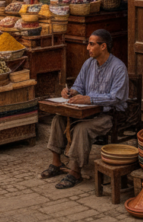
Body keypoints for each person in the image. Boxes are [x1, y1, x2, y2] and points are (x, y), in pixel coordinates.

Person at [42, 29, 129, 189]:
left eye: (91, 44)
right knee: (58, 119)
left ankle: (75, 172)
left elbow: (117, 97)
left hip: (109, 115)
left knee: (82, 128)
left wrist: (90, 99)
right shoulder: (89, 63)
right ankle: (56, 163)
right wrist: (71, 92)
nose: (88, 48)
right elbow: (79, 85)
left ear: (103, 46)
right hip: (87, 111)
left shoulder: (118, 68)